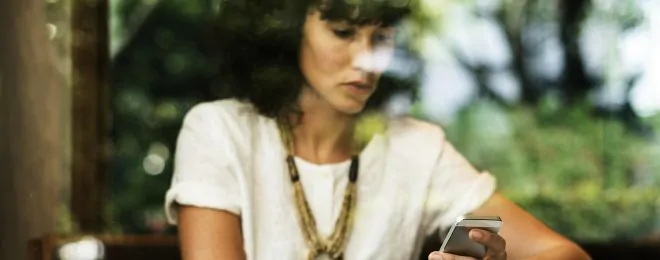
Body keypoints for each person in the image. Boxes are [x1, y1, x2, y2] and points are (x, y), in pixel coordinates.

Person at [164, 0, 591, 259]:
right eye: (343, 32)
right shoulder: (219, 132)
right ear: (285, 29)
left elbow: (563, 253)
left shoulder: (418, 149)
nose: (366, 59)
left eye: (381, 38)